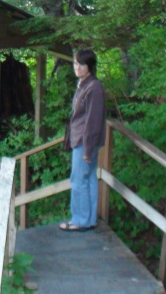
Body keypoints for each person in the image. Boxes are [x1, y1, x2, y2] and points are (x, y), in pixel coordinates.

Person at [59, 49, 106, 232]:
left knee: (79, 180)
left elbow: (93, 121)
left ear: (90, 66)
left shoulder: (94, 87)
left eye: (81, 64)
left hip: (84, 141)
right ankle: (89, 219)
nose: (77, 67)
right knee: (88, 178)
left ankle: (80, 220)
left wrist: (88, 148)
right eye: (75, 63)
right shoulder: (84, 84)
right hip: (81, 139)